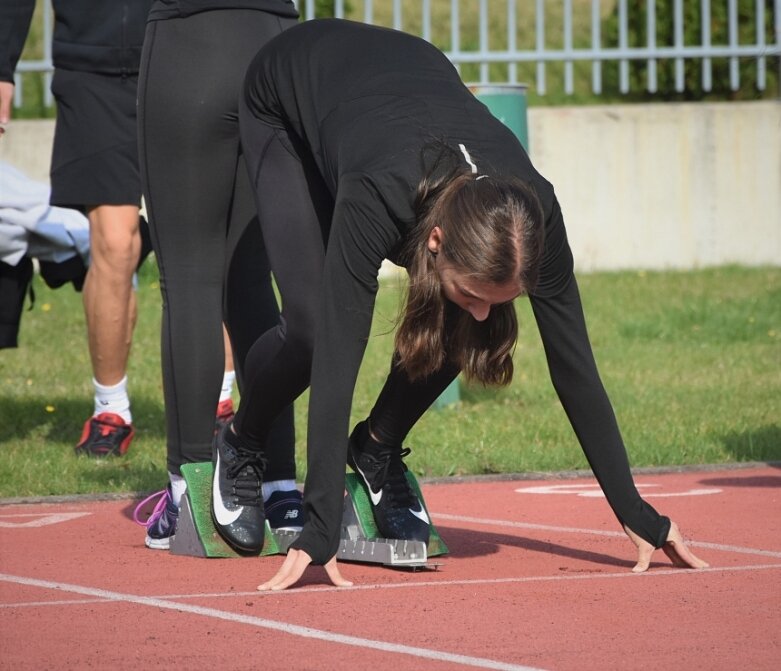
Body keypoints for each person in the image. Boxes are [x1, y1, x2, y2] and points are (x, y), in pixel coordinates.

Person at [213, 18, 710, 588]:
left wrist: (636, 511)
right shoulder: (381, 194)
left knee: (475, 322)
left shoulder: (532, 216)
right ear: (434, 241)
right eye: (472, 293)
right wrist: (320, 524)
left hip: (401, 86)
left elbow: (574, 365)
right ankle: (243, 442)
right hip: (290, 93)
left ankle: (375, 449)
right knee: (310, 330)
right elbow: (339, 354)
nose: (480, 311)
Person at [135, 0, 303, 550]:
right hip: (275, 39)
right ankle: (278, 486)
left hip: (192, 38)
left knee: (189, 282)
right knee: (255, 283)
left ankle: (190, 487)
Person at [0, 0, 155, 457]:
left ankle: (221, 407)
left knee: (206, 245)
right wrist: (3, 67)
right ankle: (111, 410)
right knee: (114, 243)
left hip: (181, 56)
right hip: (91, 66)